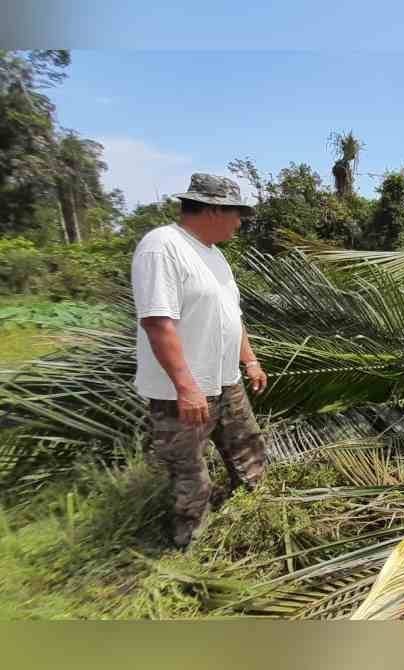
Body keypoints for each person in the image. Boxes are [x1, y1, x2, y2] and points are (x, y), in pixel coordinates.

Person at [131, 173, 269, 549]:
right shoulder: (162, 247)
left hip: (225, 381)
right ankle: (191, 547)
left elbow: (232, 316)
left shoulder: (215, 256)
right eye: (236, 214)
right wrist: (186, 387)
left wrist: (250, 362)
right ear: (211, 209)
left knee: (249, 450)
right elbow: (158, 323)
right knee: (191, 474)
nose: (240, 223)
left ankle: (253, 516)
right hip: (183, 392)